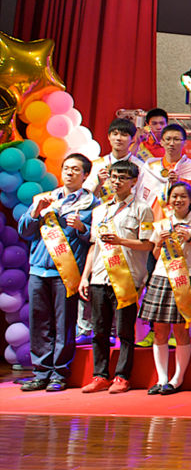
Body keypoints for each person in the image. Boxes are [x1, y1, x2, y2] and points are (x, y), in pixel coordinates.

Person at [18, 154, 97, 392]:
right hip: (39, 270)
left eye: (75, 169)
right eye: (66, 168)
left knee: (64, 325)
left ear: (85, 175)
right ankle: (40, 372)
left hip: (67, 273)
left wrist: (82, 228)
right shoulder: (46, 199)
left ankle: (58, 374)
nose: (70, 173)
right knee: (39, 323)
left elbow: (96, 239)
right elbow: (24, 229)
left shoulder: (92, 205)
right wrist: (35, 213)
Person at [77, 161, 155, 394]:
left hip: (127, 277)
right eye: (114, 176)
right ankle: (100, 375)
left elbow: (148, 244)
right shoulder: (100, 210)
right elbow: (94, 246)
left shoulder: (143, 209)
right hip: (100, 276)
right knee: (99, 329)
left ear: (133, 181)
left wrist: (120, 241)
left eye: (123, 177)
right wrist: (85, 277)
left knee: (124, 330)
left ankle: (122, 376)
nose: (117, 181)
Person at [140, 182, 191, 394]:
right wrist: (159, 244)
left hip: (187, 278)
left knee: (180, 330)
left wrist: (189, 239)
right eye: (174, 196)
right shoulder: (161, 224)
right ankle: (161, 379)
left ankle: (177, 379)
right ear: (169, 200)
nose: (178, 200)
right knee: (159, 330)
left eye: (183, 197)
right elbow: (155, 256)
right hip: (162, 276)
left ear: (190, 200)